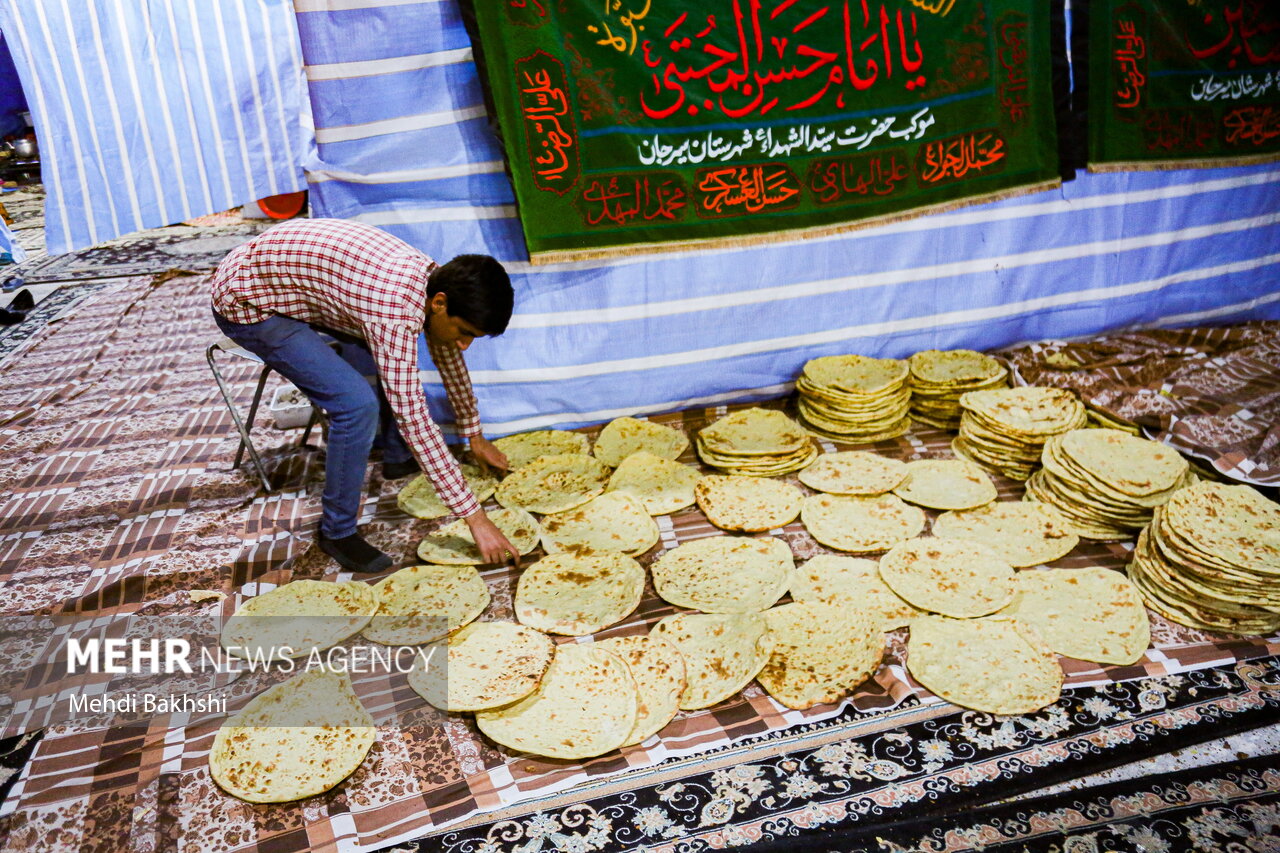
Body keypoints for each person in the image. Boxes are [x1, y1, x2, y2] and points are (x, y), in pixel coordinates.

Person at [209, 218, 521, 573]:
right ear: (439, 303)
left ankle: (396, 456)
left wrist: (473, 434)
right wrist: (476, 518)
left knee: (398, 365)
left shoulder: (435, 284)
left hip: (286, 278)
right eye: (464, 332)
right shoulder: (393, 310)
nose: (465, 345)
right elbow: (414, 418)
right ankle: (337, 532)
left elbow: (447, 354)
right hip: (248, 299)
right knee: (355, 406)